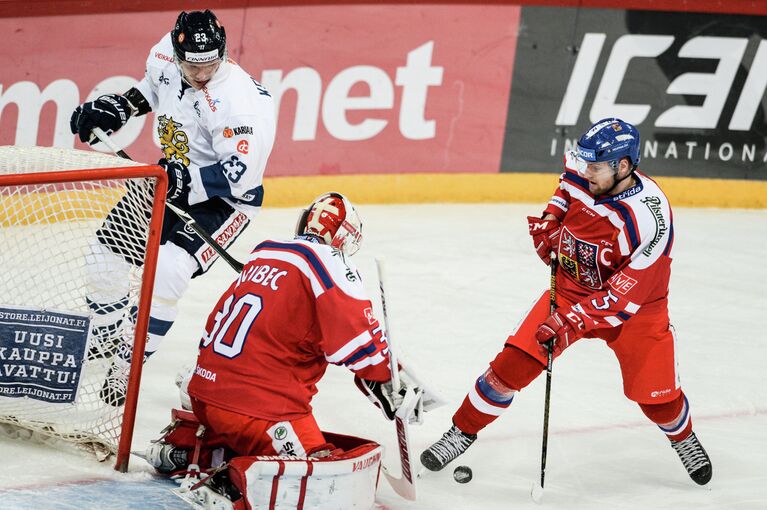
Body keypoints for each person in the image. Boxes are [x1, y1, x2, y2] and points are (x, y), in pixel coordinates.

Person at [420, 118, 713, 486]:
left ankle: (682, 438)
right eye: (584, 163)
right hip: (572, 289)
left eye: (594, 167)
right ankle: (461, 432)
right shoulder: (589, 167)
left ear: (623, 166)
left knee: (658, 401)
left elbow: (622, 298)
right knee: (509, 369)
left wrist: (568, 320)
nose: (584, 171)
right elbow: (565, 185)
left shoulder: (648, 220)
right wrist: (551, 217)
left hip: (635, 309)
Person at [69, 10, 276, 406]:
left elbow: (242, 176)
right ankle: (110, 330)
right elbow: (154, 88)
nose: (201, 75)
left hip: (223, 199)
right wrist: (120, 107)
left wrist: (187, 184)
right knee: (103, 259)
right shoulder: (165, 54)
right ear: (177, 52)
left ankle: (131, 355)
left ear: (224, 53)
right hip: (169, 181)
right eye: (192, 66)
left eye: (211, 65)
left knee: (167, 269)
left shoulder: (239, 103)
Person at [145, 192, 409, 473]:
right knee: (319, 473)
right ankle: (229, 480)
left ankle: (198, 453)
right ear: (343, 239)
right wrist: (388, 376)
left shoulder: (263, 251)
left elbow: (217, 321)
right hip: (258, 411)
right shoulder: (330, 261)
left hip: (203, 394)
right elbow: (357, 337)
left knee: (244, 431)